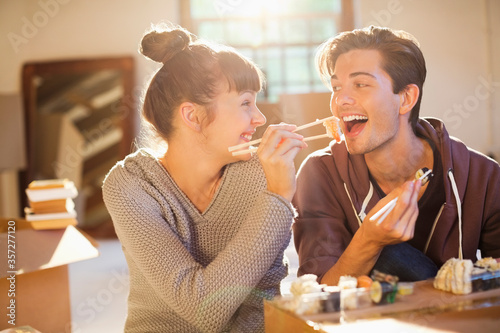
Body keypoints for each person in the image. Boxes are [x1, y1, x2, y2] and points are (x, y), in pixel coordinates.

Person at [102, 23, 306, 332]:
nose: (260, 118)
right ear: (193, 116)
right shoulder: (130, 186)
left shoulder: (260, 171)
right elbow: (202, 310)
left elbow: (262, 301)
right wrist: (278, 197)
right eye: (245, 103)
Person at [292, 26, 500, 286]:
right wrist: (370, 240)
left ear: (406, 98)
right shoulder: (319, 174)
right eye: (336, 87)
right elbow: (319, 291)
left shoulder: (484, 177)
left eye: (360, 84)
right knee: (388, 256)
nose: (340, 100)